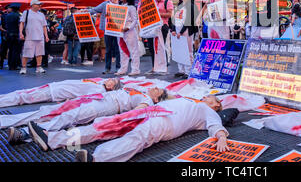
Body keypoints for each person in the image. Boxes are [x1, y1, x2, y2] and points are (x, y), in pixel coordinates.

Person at [29, 95, 229, 162]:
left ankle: (99, 158)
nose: (207, 97)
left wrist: (221, 137)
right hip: (154, 111)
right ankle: (54, 139)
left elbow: (216, 126)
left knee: (138, 137)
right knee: (105, 125)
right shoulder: (193, 100)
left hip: (166, 121)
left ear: (216, 105)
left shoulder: (207, 110)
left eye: (211, 98)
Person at [4, 87, 168, 142]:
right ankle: (22, 130)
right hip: (98, 99)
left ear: (156, 97)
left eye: (158, 90)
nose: (154, 88)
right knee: (55, 112)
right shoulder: (140, 90)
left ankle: (24, 134)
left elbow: (136, 111)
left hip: (109, 105)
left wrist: (111, 120)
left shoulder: (147, 98)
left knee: (69, 117)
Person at [0, 77, 123, 108]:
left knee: (23, 97)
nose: (110, 79)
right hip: (56, 87)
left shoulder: (99, 90)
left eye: (112, 80)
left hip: (56, 92)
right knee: (23, 92)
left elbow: (84, 99)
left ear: (112, 87)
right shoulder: (99, 84)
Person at [88, 0, 121, 74]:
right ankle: (107, 68)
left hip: (118, 30)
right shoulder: (105, 4)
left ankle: (118, 67)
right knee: (108, 49)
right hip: (107, 30)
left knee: (117, 49)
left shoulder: (121, 4)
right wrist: (85, 11)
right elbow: (94, 10)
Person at [172, 0, 199, 78]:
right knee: (179, 51)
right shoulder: (178, 6)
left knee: (188, 51)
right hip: (177, 31)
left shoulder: (191, 6)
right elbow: (173, 19)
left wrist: (182, 31)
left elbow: (189, 20)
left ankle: (188, 71)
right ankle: (181, 70)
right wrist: (173, 30)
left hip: (186, 31)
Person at [19, 0, 49, 74]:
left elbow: (44, 26)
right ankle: (23, 68)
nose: (40, 6)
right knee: (26, 53)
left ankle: (39, 67)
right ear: (32, 5)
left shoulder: (41, 14)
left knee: (40, 53)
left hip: (40, 36)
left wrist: (46, 36)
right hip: (29, 36)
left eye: (40, 4)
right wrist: (21, 33)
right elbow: (21, 23)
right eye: (38, 4)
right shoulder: (26, 13)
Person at [115, 0, 140, 76]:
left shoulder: (131, 7)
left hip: (129, 32)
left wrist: (128, 28)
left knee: (133, 51)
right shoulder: (119, 7)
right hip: (120, 32)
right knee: (122, 50)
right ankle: (123, 68)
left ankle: (135, 69)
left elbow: (135, 20)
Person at [2, 4, 21, 70]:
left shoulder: (7, 15)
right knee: (15, 51)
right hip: (15, 35)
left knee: (10, 50)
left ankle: (10, 65)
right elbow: (19, 26)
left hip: (8, 35)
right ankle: (14, 65)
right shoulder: (18, 16)